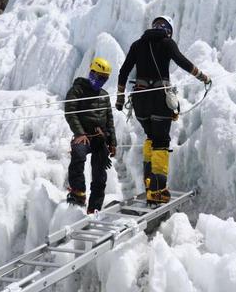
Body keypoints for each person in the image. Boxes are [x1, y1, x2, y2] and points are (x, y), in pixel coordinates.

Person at [115, 16, 211, 204]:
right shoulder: (167, 43)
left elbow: (123, 71)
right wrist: (203, 77)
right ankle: (158, 190)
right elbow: (183, 62)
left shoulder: (137, 45)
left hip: (140, 102)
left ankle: (149, 182)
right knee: (161, 141)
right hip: (159, 99)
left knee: (150, 138)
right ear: (168, 30)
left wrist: (120, 97)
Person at [64, 57, 117, 213]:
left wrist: (112, 142)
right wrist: (79, 133)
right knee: (78, 155)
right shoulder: (77, 90)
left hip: (100, 140)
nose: (101, 81)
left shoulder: (105, 95)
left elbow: (109, 120)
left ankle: (94, 208)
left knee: (100, 174)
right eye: (99, 76)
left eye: (104, 78)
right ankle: (78, 192)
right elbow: (70, 112)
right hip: (83, 136)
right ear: (92, 72)